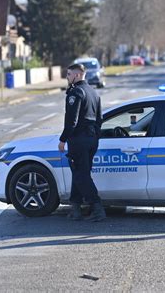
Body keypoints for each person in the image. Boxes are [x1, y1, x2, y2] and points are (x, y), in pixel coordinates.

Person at [58, 63, 106, 222]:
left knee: (81, 175)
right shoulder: (94, 92)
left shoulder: (76, 92)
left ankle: (97, 208)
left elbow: (72, 121)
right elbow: (100, 120)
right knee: (79, 174)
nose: (67, 77)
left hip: (79, 139)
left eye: (69, 74)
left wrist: (63, 139)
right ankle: (76, 208)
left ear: (77, 75)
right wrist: (94, 137)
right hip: (91, 139)